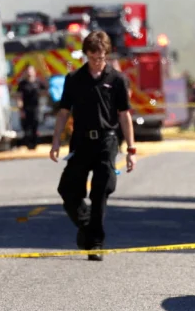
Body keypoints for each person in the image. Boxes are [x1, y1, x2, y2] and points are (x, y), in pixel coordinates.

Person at [49, 31, 136, 261]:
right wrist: (56, 140)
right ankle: (87, 228)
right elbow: (63, 112)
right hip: (81, 141)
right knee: (67, 189)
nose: (98, 62)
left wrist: (131, 150)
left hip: (107, 141)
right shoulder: (74, 79)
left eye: (101, 57)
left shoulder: (117, 80)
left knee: (101, 190)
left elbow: (124, 116)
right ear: (86, 55)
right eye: (93, 57)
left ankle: (96, 242)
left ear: (106, 55)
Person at [15, 65, 42, 150]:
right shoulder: (22, 84)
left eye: (31, 71)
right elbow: (19, 96)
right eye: (27, 71)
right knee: (26, 127)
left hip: (36, 108)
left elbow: (46, 91)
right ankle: (28, 145)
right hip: (26, 108)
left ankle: (34, 145)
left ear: (34, 72)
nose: (29, 72)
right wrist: (20, 108)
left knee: (35, 126)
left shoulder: (38, 82)